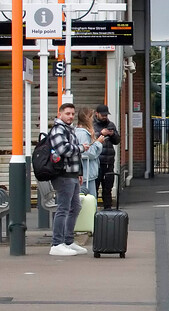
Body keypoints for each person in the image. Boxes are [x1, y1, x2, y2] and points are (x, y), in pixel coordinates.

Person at [49, 102, 89, 256]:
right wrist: (81, 148)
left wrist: (79, 172)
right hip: (63, 175)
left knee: (75, 207)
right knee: (63, 209)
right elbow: (63, 149)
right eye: (67, 113)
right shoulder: (58, 129)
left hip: (71, 174)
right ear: (60, 114)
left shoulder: (69, 129)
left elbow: (73, 154)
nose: (70, 116)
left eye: (72, 114)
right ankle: (57, 243)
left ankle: (68, 240)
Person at [93, 104, 120, 210]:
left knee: (107, 188)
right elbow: (89, 138)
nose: (105, 117)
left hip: (108, 162)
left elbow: (117, 141)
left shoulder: (111, 125)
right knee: (94, 188)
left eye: (106, 115)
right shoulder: (92, 125)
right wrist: (101, 133)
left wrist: (112, 134)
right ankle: (93, 210)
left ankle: (108, 209)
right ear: (97, 114)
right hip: (97, 162)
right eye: (102, 115)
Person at [76, 107, 105, 198]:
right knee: (90, 200)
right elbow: (89, 153)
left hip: (84, 172)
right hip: (87, 173)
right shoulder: (84, 134)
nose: (93, 120)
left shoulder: (76, 131)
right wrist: (98, 143)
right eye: (91, 117)